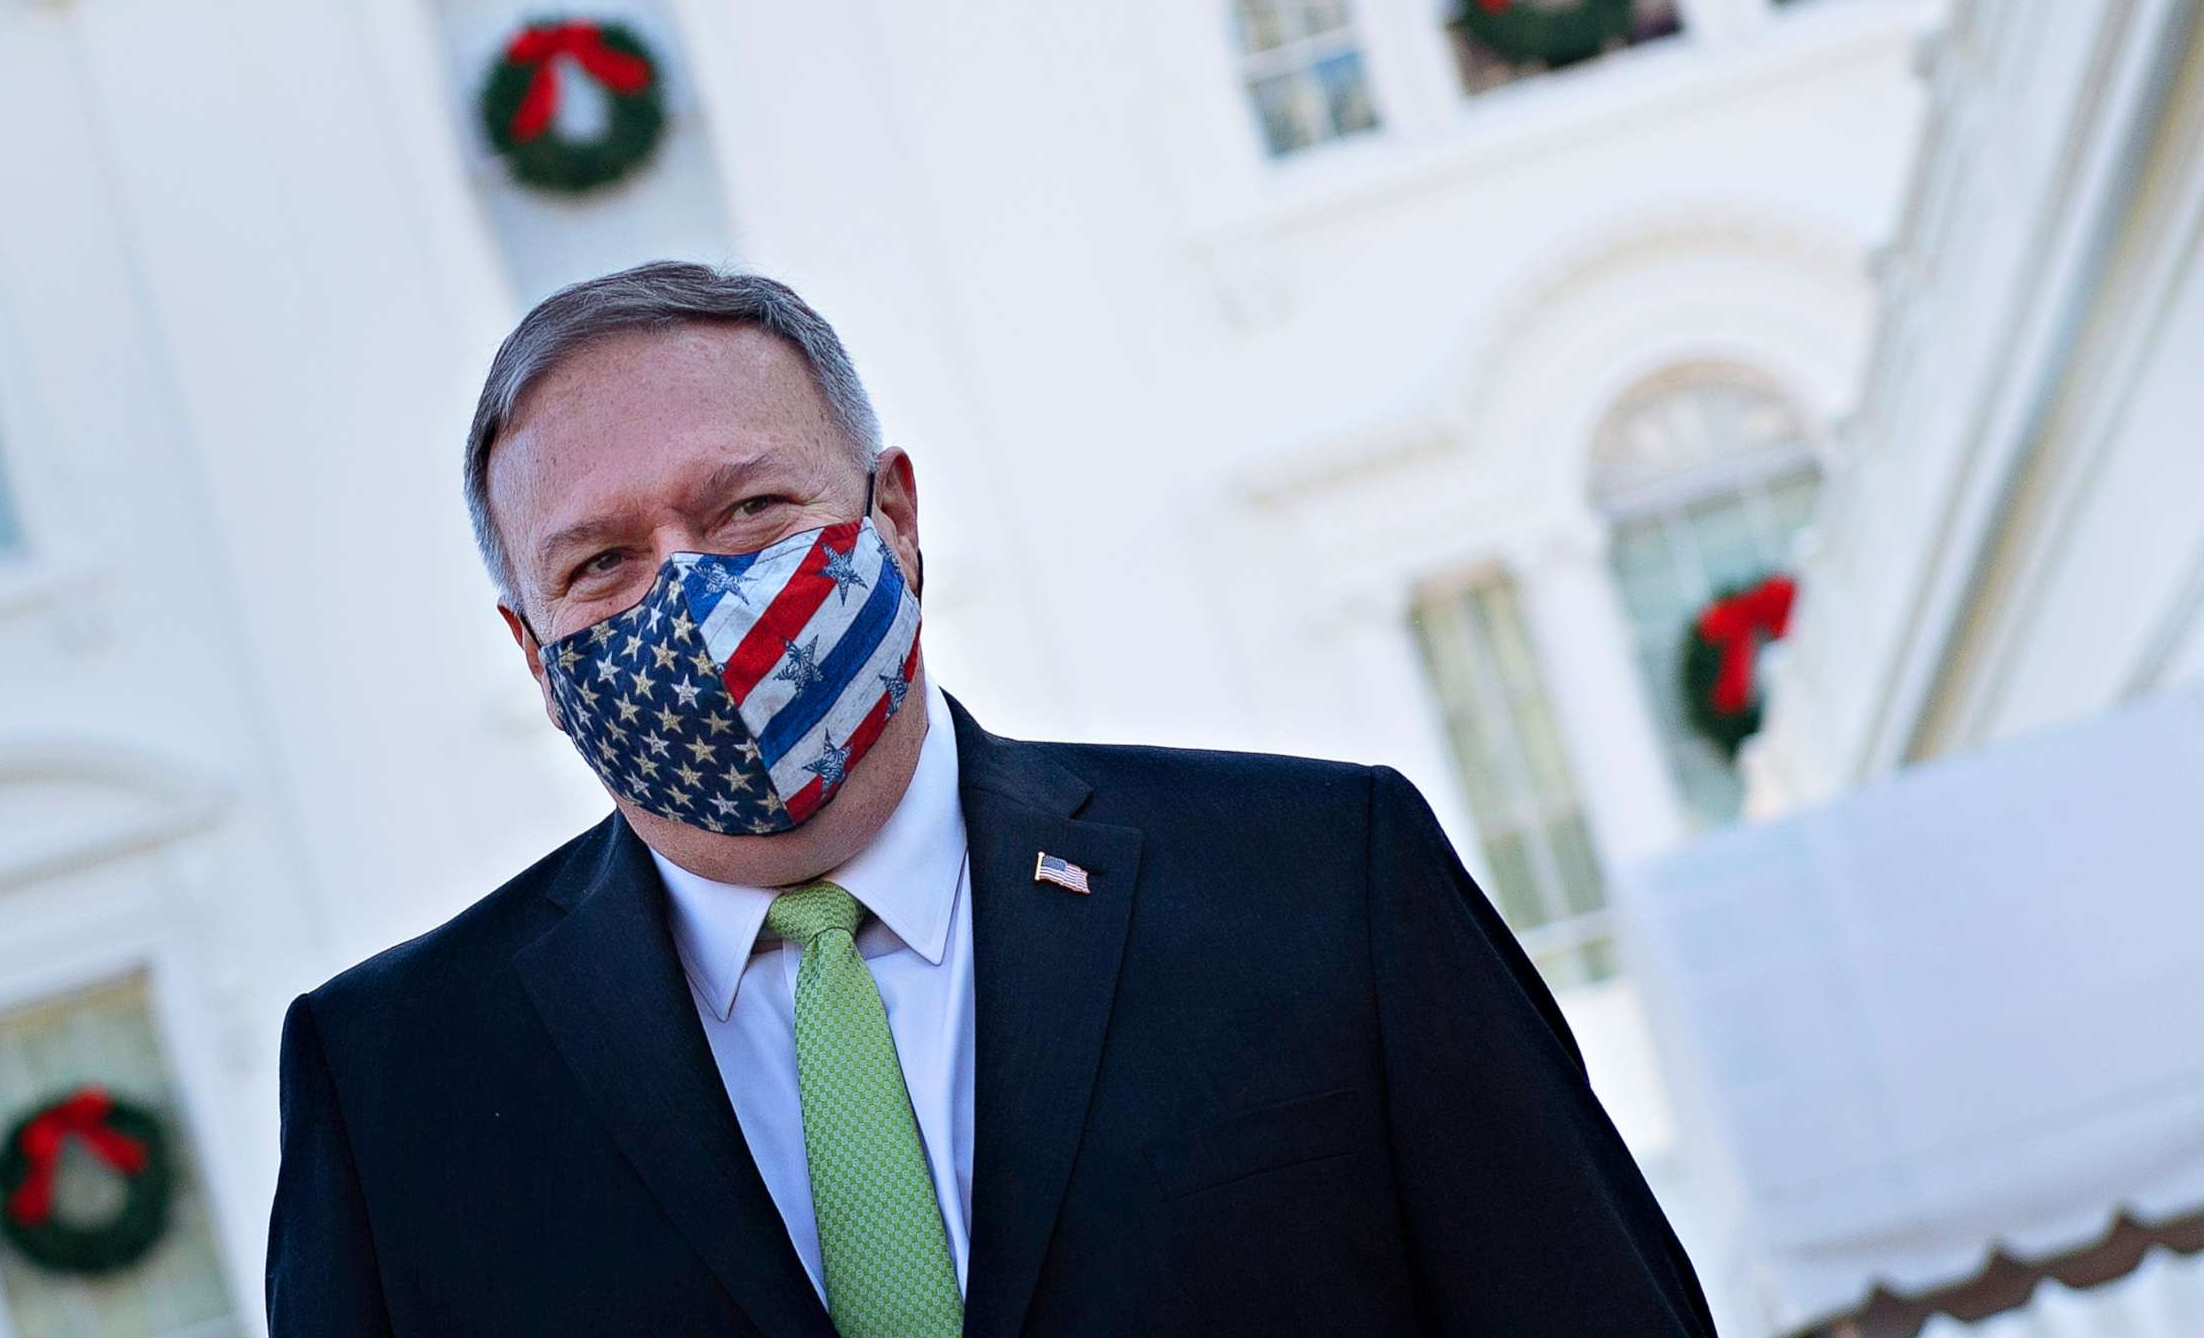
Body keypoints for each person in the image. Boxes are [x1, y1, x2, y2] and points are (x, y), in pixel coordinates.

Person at [266, 261, 1717, 1337]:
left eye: (749, 511)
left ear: (893, 515)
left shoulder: (1318, 884)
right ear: (530, 646)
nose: (692, 599)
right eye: (600, 564)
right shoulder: (398, 1083)